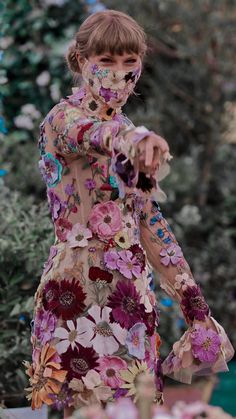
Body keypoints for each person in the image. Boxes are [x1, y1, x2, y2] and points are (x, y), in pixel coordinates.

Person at [23, 9, 235, 418]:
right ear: (82, 62)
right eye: (106, 62)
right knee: (86, 411)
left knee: (135, 410)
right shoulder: (63, 120)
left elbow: (151, 225)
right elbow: (90, 133)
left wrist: (196, 309)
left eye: (128, 62)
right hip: (77, 295)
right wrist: (131, 138)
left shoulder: (131, 133)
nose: (118, 73)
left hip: (131, 299)